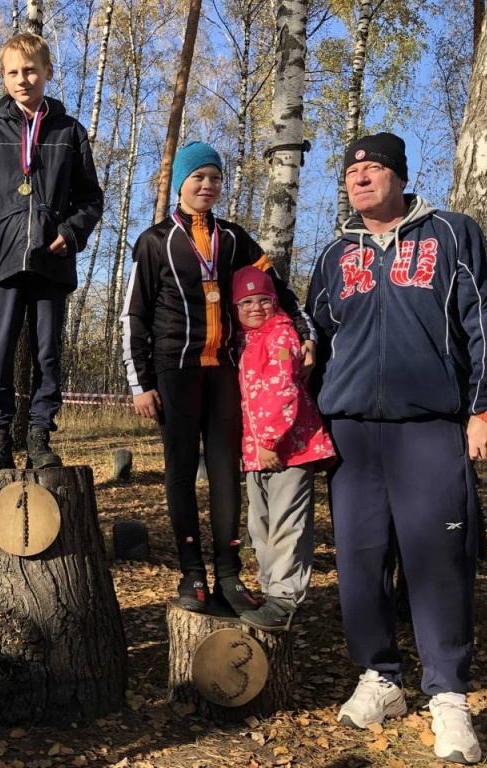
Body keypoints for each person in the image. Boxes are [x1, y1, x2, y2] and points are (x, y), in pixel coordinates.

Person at [306, 132, 487, 765]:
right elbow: (313, 335)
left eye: (372, 169)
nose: (359, 178)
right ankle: (380, 676)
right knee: (360, 560)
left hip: (431, 426)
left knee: (439, 559)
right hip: (351, 434)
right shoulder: (335, 253)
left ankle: (450, 696)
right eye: (351, 172)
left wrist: (486, 409)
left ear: (399, 176)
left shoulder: (452, 235)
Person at [121, 140, 315, 617]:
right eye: (198, 178)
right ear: (181, 185)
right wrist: (139, 383)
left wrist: (305, 332)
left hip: (227, 370)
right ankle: (192, 574)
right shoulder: (154, 240)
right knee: (182, 472)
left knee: (227, 471)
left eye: (214, 178)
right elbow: (135, 316)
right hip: (175, 369)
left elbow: (278, 288)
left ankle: (228, 572)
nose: (206, 186)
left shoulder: (234, 239)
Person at [0, 32, 103, 471]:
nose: (23, 79)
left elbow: (90, 199)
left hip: (51, 259)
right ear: (4, 77)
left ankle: (40, 435)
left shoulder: (69, 131)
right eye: (13, 72)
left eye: (31, 70)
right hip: (1, 264)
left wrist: (71, 232)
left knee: (47, 352)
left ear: (48, 73)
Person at [231, 266, 335, 632]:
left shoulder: (281, 335)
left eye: (263, 300)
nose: (256, 307)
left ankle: (285, 598)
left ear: (276, 303)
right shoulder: (246, 341)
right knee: (260, 524)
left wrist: (269, 441)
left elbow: (283, 392)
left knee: (286, 523)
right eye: (246, 302)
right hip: (256, 450)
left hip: (287, 448)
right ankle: (269, 588)